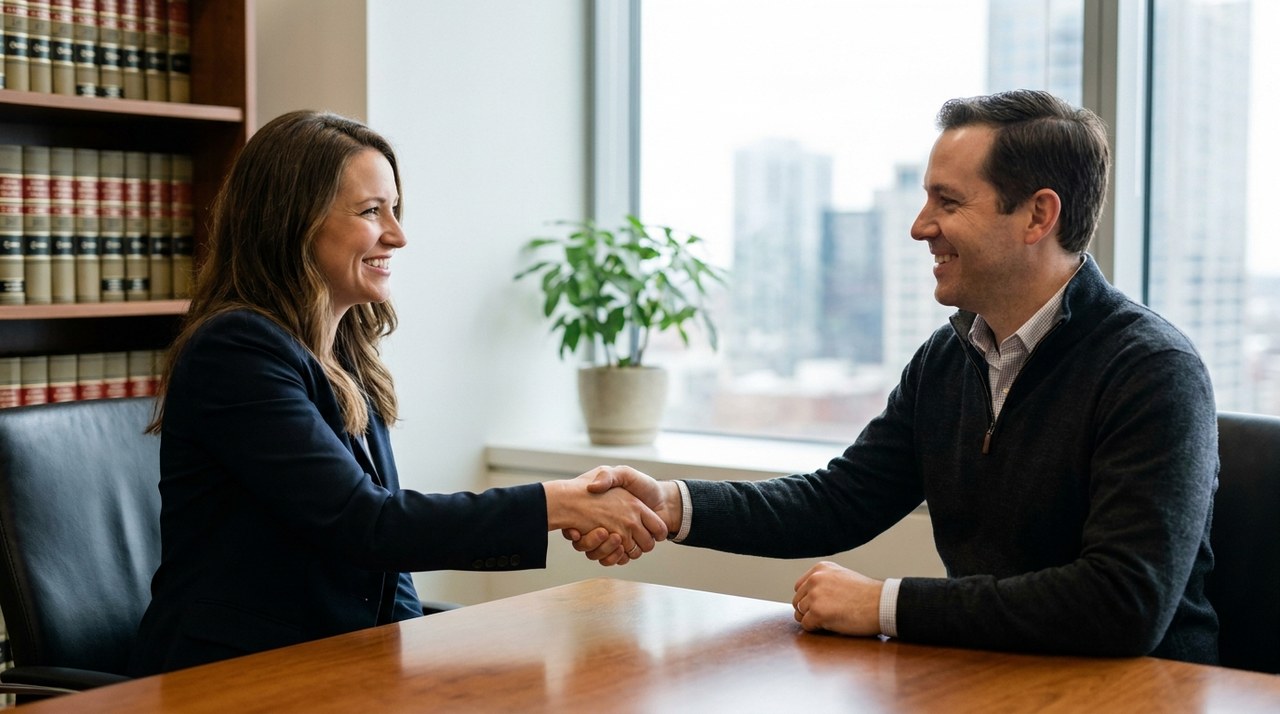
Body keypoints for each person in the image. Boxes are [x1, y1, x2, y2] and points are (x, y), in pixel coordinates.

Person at [570, 90, 1220, 664]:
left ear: (1037, 216)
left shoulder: (1152, 371)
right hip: (995, 677)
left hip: (1144, 693)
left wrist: (884, 606)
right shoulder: (948, 359)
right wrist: (672, 504)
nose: (919, 227)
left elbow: (1122, 602)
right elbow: (840, 500)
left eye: (948, 201)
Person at [129, 110, 665, 675]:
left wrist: (411, 667)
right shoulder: (234, 351)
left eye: (395, 210)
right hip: (232, 675)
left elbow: (388, 565)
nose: (397, 235)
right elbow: (366, 525)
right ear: (291, 222)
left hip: (336, 665)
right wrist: (560, 504)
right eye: (370, 211)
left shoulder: (347, 355)